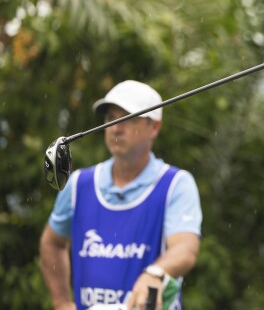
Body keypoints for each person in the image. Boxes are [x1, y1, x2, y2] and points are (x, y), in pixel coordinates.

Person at [40, 80, 202, 310]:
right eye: (110, 119)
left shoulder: (176, 184)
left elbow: (185, 249)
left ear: (154, 127)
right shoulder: (78, 185)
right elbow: (52, 243)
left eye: (128, 118)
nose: (116, 127)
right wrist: (61, 303)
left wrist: (155, 273)